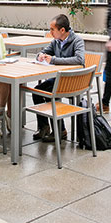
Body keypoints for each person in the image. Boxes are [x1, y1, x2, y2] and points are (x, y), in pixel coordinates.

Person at [31, 14, 86, 142]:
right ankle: (44, 127)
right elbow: (44, 52)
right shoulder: (56, 41)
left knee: (50, 94)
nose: (50, 32)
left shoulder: (77, 40)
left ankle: (60, 130)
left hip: (73, 81)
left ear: (62, 30)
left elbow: (79, 59)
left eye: (52, 29)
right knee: (37, 91)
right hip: (59, 79)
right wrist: (40, 55)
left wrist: (54, 60)